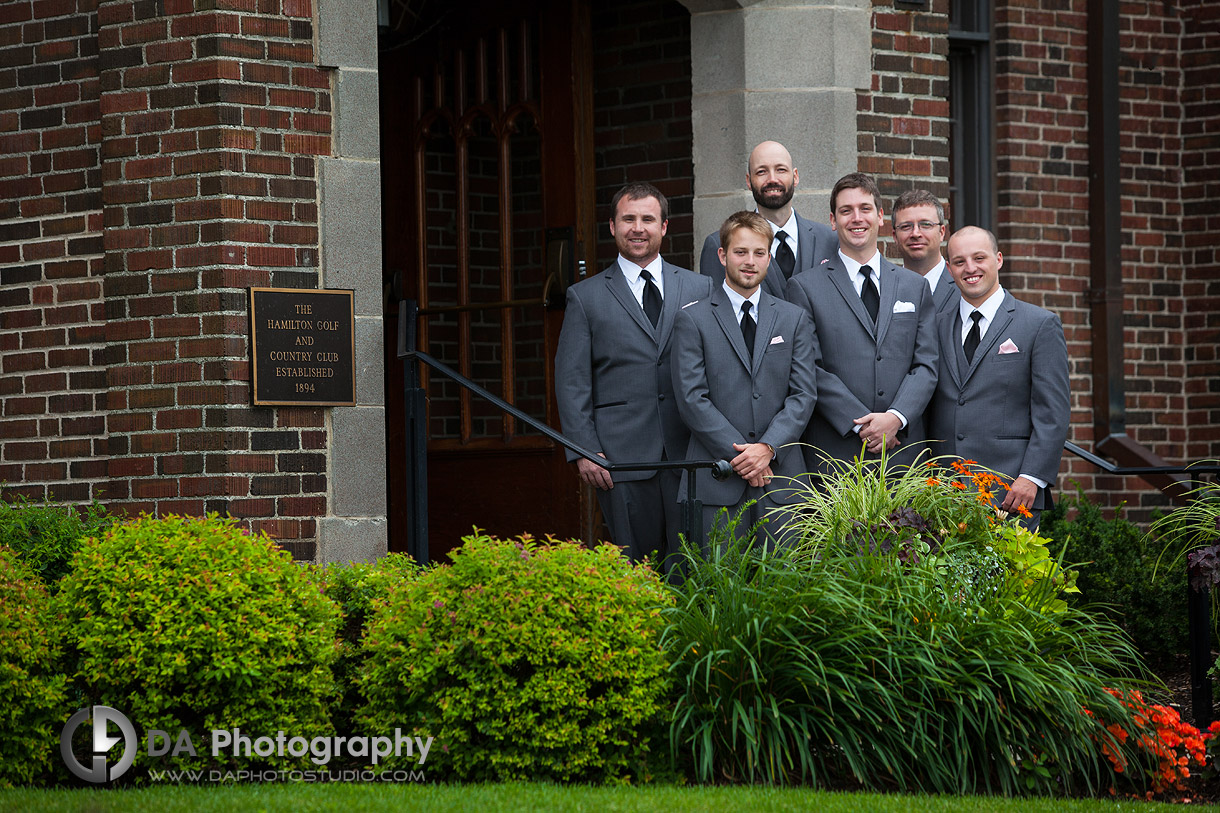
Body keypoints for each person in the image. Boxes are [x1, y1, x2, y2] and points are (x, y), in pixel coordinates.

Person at [554, 181, 713, 565]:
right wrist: (583, 450)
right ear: (612, 227)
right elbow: (572, 378)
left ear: (664, 226)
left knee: (693, 566)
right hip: (618, 457)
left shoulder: (701, 286)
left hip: (689, 451)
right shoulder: (585, 296)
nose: (638, 228)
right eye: (628, 219)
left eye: (647, 219)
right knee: (636, 565)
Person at [672, 211, 817, 550]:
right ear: (722, 256)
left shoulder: (793, 318)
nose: (750, 262)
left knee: (786, 588)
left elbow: (803, 394)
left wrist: (768, 448)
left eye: (759, 253)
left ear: (769, 257)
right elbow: (692, 399)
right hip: (717, 479)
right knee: (720, 589)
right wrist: (744, 458)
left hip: (781, 480)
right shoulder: (692, 319)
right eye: (740, 252)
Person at [784, 172, 938, 474]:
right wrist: (861, 424)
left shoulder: (914, 286)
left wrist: (895, 417)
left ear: (880, 216)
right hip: (836, 456)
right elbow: (807, 367)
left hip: (903, 455)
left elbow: (926, 364)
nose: (857, 218)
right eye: (846, 210)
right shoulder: (804, 288)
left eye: (865, 209)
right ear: (832, 220)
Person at [927, 226, 1070, 528]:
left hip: (1011, 491)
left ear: (998, 259)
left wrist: (1032, 477)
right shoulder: (935, 326)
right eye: (959, 261)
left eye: (979, 258)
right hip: (944, 492)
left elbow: (1052, 413)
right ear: (949, 267)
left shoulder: (1039, 325)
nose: (970, 268)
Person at [698, 141, 838, 298]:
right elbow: (715, 311)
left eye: (781, 170)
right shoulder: (719, 243)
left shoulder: (830, 240)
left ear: (795, 176)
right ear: (748, 181)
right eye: (761, 172)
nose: (772, 179)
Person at [891, 189, 959, 314]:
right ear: (895, 236)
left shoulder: (963, 286)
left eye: (926, 225)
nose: (916, 233)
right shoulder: (885, 289)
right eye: (906, 226)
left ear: (942, 232)